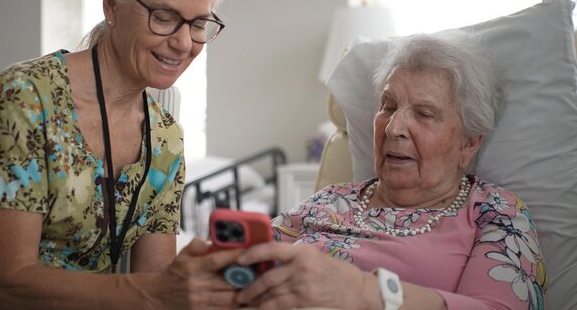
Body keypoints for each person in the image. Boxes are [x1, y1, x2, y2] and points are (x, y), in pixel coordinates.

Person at [0, 0, 244, 308]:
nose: (183, 43)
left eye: (196, 24)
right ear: (111, 4)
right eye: (163, 17)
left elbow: (154, 286)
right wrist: (156, 292)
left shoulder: (165, 140)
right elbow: (12, 285)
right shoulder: (26, 99)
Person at [233, 32, 546, 309]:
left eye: (424, 114)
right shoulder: (329, 201)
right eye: (388, 106)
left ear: (469, 143)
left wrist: (366, 293)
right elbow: (242, 272)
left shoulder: (495, 213)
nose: (394, 127)